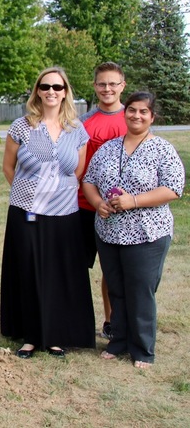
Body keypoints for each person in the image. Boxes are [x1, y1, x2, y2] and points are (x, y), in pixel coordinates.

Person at [82, 92, 184, 369]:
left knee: (140, 290)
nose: (136, 116)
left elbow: (173, 188)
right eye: (131, 110)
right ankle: (118, 341)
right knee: (116, 289)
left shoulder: (162, 149)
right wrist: (97, 203)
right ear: (124, 113)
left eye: (143, 112)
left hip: (147, 233)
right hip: (109, 232)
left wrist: (134, 201)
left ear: (152, 117)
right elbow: (89, 180)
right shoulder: (109, 147)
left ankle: (142, 350)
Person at [0, 66, 95, 359]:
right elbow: (8, 167)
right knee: (28, 270)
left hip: (64, 214)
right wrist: (29, 195)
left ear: (65, 91)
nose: (51, 92)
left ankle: (56, 334)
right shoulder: (21, 126)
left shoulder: (77, 130)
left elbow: (77, 170)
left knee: (59, 272)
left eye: (57, 87)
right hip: (26, 212)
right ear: (37, 92)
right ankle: (30, 336)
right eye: (45, 87)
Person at [78, 62, 128, 340]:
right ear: (95, 86)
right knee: (77, 267)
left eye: (113, 83)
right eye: (101, 84)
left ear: (122, 85)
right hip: (84, 206)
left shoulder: (131, 118)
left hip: (119, 211)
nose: (107, 89)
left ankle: (112, 322)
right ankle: (77, 320)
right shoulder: (84, 122)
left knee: (112, 271)